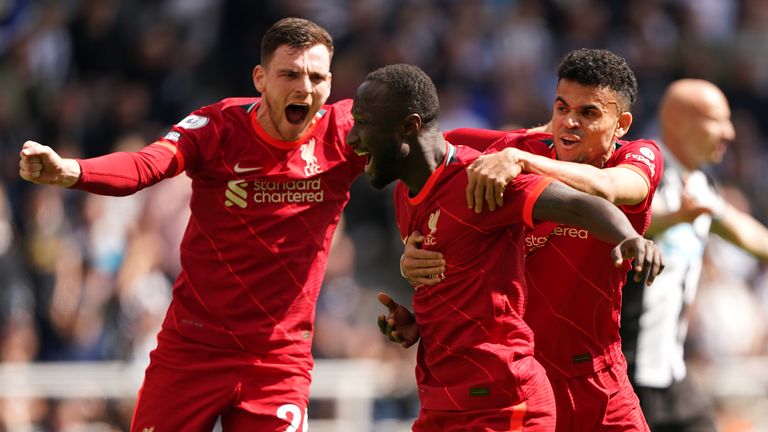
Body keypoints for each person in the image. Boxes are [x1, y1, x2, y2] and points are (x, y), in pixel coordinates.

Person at [19, 17, 366, 431]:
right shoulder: (217, 127)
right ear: (260, 78)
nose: (304, 88)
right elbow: (145, 165)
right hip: (194, 349)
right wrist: (72, 171)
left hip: (277, 361)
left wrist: (456, 182)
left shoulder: (345, 134)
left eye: (316, 77)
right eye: (289, 74)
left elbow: (418, 156)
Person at [351, 63, 661, 431]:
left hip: (593, 380)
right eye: (561, 108)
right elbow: (431, 154)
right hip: (512, 377)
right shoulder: (507, 154)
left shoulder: (636, 155)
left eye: (588, 112)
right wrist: (424, 301)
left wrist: (524, 161)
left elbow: (607, 189)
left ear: (622, 124)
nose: (569, 122)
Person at [620, 79, 768, 432]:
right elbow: (623, 219)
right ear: (679, 121)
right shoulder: (640, 171)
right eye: (717, 120)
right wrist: (676, 218)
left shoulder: (700, 184)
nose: (729, 133)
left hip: (671, 374)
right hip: (623, 376)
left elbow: (746, 232)